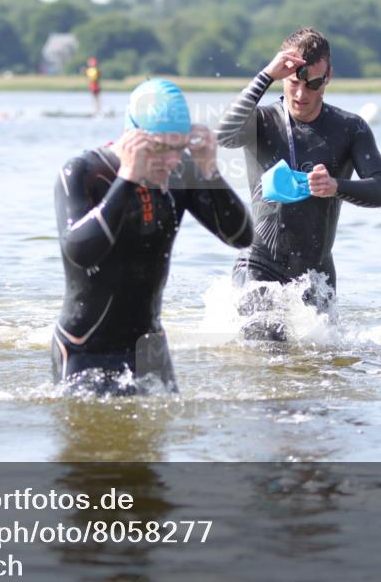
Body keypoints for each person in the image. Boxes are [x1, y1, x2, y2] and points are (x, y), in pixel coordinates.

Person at [53, 79, 253, 393]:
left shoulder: (181, 172)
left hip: (150, 349)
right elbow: (80, 252)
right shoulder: (84, 172)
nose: (170, 160)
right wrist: (127, 178)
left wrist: (209, 172)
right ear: (131, 136)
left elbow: (241, 237)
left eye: (178, 147)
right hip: (86, 348)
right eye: (159, 147)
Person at [216, 27, 381, 336]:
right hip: (259, 265)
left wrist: (336, 186)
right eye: (294, 82)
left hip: (316, 273)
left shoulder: (350, 129)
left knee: (323, 366)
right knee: (270, 352)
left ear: (328, 77)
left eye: (313, 84)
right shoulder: (262, 121)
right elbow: (223, 134)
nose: (301, 94)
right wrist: (265, 76)